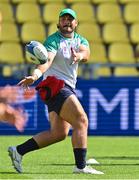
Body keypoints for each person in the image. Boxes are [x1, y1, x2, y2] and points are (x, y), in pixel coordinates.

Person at [8, 8, 104, 174]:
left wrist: (79, 56)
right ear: (58, 23)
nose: (67, 21)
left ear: (76, 23)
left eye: (70, 19)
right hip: (56, 85)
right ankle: (80, 167)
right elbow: (46, 61)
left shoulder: (81, 40)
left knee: (59, 133)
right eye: (64, 19)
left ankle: (18, 151)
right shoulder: (53, 40)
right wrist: (35, 75)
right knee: (81, 120)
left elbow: (86, 53)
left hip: (62, 88)